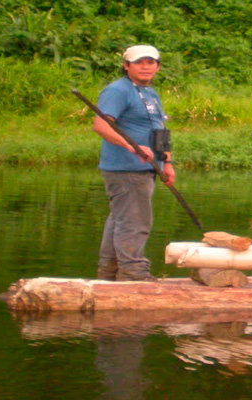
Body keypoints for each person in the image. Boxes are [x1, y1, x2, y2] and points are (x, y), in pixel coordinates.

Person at [93, 45, 176, 281]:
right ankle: (133, 275)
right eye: (139, 62)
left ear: (158, 66)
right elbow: (101, 125)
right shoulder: (118, 91)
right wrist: (132, 147)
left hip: (148, 168)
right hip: (126, 169)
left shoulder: (150, 93)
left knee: (121, 220)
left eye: (151, 62)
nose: (146, 66)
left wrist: (167, 162)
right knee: (135, 222)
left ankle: (108, 275)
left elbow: (158, 129)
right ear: (126, 66)